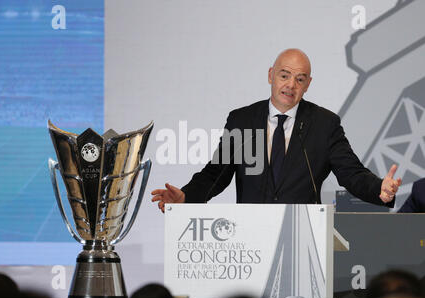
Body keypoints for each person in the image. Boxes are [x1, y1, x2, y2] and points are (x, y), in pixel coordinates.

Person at [151, 49, 401, 212]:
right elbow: (216, 174)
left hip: (303, 234)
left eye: (300, 79)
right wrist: (186, 198)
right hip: (248, 237)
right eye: (284, 75)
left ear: (307, 85)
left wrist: (380, 189)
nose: (291, 85)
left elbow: (352, 174)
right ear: (271, 76)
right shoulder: (242, 120)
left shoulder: (325, 124)